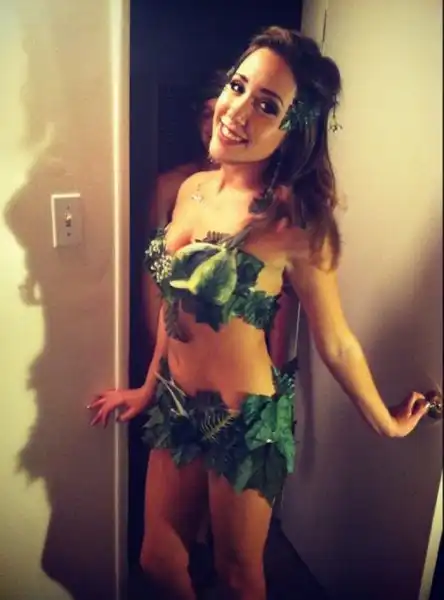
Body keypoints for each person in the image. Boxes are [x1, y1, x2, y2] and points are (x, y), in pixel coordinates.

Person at [88, 26, 431, 600]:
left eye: (267, 106)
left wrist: (387, 424)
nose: (238, 111)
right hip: (177, 407)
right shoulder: (192, 189)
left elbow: (337, 341)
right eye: (238, 86)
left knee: (239, 574)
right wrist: (148, 388)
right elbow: (177, 306)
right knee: (158, 560)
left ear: (293, 129)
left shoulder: (293, 221)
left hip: (243, 423)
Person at [143, 70, 226, 350]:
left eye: (221, 113)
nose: (212, 125)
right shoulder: (170, 186)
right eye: (206, 114)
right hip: (177, 340)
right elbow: (152, 273)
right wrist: (159, 350)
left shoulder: (263, 196)